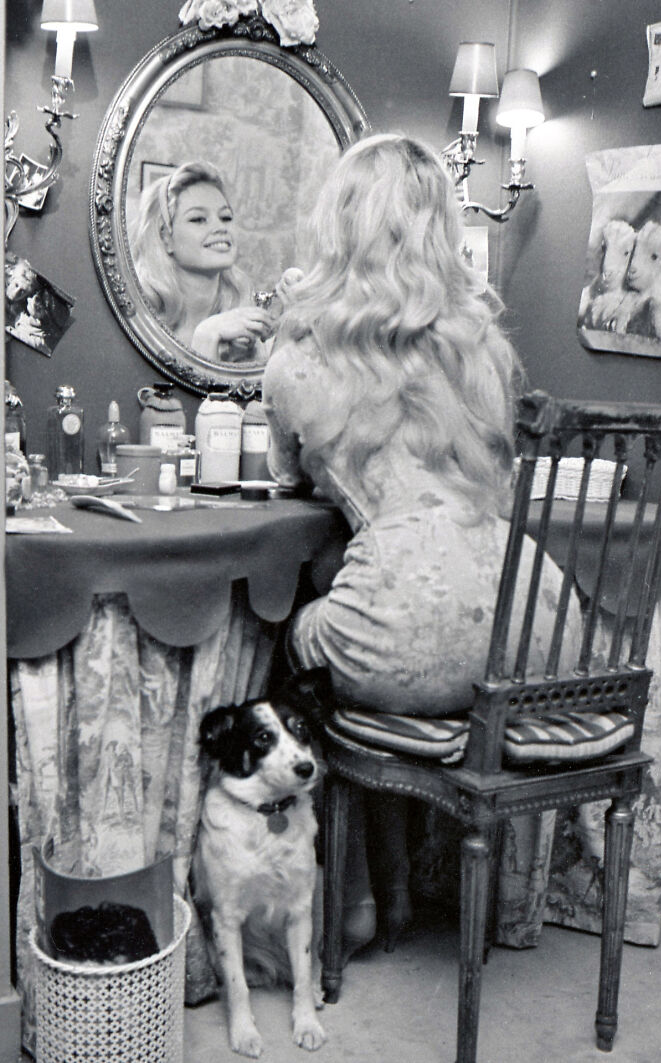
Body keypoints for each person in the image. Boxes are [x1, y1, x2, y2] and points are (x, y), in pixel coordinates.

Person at [262, 134, 581, 956]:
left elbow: (288, 470)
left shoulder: (299, 359)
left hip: (402, 629)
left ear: (340, 227)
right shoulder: (481, 348)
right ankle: (403, 886)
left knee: (299, 632)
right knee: (351, 585)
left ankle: (362, 893)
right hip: (531, 622)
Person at [130, 161, 273, 362]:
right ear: (165, 238)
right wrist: (206, 337)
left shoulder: (246, 327)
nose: (220, 227)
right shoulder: (138, 328)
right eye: (198, 219)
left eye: (225, 217)